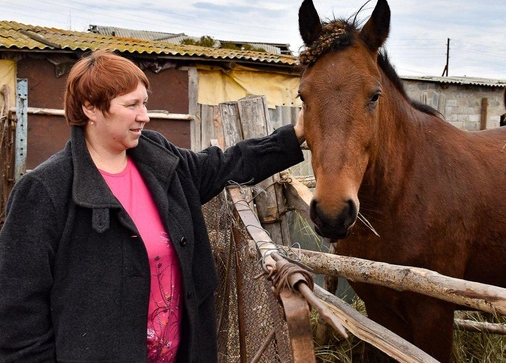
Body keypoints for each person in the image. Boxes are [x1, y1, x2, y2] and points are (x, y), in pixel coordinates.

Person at [0, 49, 305, 362]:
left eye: (143, 102)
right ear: (90, 108)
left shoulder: (156, 156)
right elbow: (18, 313)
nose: (144, 115)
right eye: (131, 105)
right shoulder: (45, 190)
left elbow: (222, 166)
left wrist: (294, 137)